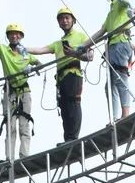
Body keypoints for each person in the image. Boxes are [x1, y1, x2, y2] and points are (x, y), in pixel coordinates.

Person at [0, 18, 39, 161]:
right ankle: (9, 158)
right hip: (10, 91)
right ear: (8, 36)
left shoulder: (26, 54)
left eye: (17, 34)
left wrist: (32, 68)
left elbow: (39, 64)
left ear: (21, 36)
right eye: (11, 34)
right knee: (11, 127)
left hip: (24, 91)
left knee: (24, 125)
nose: (14, 36)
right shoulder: (4, 50)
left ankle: (24, 156)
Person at [25, 8, 92, 142]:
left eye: (67, 18)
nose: (64, 21)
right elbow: (41, 49)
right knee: (64, 107)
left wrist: (74, 53)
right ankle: (68, 138)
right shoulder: (58, 43)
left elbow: (90, 56)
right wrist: (23, 49)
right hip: (61, 79)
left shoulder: (81, 36)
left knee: (73, 103)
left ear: (73, 20)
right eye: (61, 19)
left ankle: (73, 137)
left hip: (73, 73)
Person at [84, 0, 135, 121]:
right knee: (110, 85)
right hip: (112, 46)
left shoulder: (120, 3)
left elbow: (127, 3)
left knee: (120, 78)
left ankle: (125, 114)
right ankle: (113, 118)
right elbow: (101, 31)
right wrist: (83, 46)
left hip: (121, 43)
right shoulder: (111, 12)